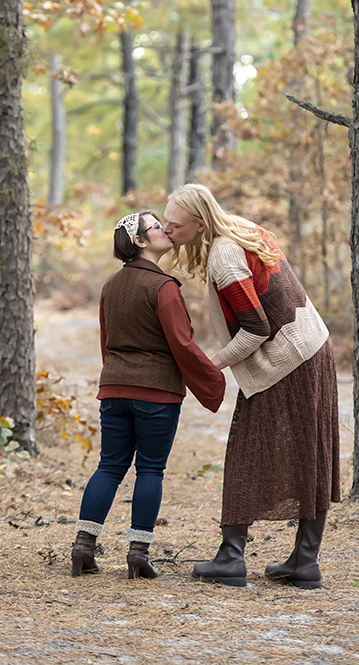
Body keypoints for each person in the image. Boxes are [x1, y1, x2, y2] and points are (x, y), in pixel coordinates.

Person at [163, 184, 340, 589]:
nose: (168, 230)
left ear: (200, 223)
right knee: (310, 449)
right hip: (311, 344)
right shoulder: (240, 229)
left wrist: (212, 364)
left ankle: (231, 559)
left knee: (248, 450)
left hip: (290, 359)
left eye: (175, 225)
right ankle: (304, 561)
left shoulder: (224, 256)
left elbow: (256, 329)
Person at [71, 210, 225, 580]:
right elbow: (183, 344)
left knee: (109, 466)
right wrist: (212, 379)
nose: (165, 230)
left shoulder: (111, 285)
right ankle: (138, 553)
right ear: (140, 241)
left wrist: (116, 378)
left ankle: (83, 547)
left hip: (113, 389)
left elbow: (107, 340)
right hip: (156, 393)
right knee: (150, 469)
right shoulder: (164, 287)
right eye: (155, 227)